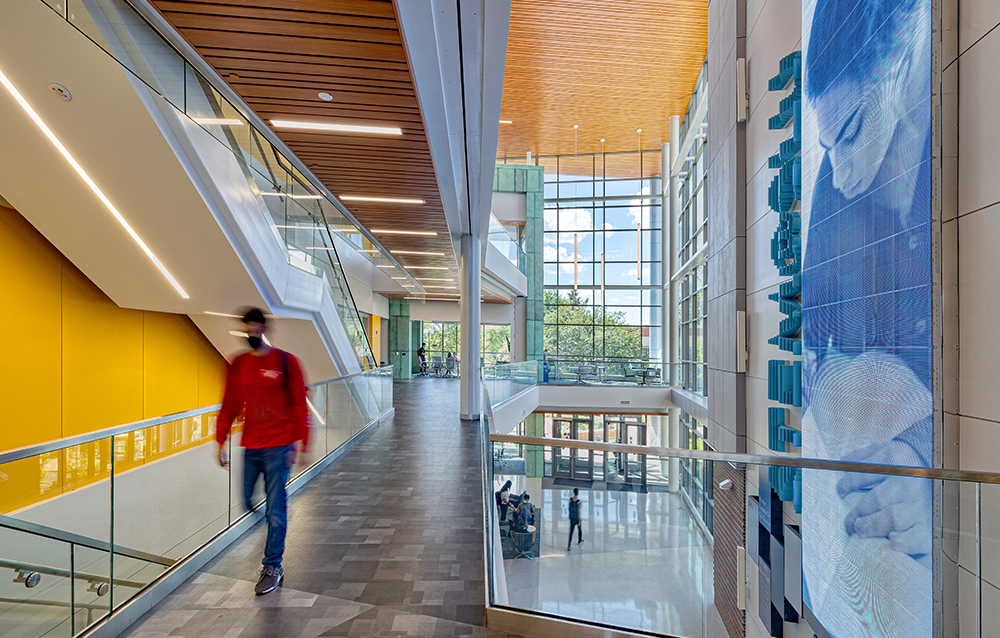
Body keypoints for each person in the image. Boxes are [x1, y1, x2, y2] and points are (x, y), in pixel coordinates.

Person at [216, 308, 308, 596]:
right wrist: (220, 439)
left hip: (279, 448)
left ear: (264, 331)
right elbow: (230, 402)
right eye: (248, 330)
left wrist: (301, 443)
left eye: (256, 330)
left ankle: (272, 566)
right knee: (246, 501)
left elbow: (298, 404)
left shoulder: (286, 362)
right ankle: (271, 526)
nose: (252, 335)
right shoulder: (238, 364)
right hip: (251, 447)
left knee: (276, 510)